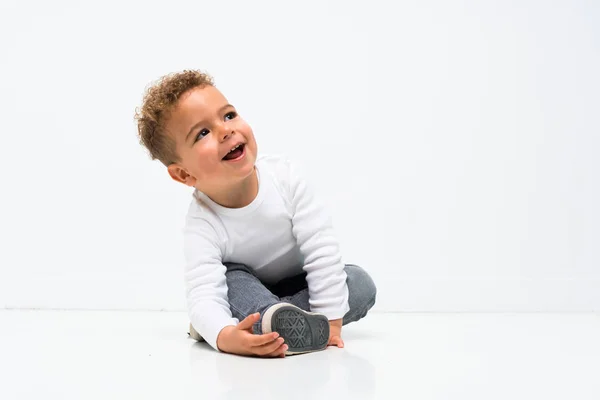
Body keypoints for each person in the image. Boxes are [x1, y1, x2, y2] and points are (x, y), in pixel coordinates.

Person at [134, 70, 376, 357]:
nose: (225, 130)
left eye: (228, 115)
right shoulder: (203, 223)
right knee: (231, 278)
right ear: (184, 174)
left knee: (360, 284)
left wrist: (332, 319)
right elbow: (203, 294)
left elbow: (321, 251)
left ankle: (267, 323)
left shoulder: (286, 178)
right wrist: (225, 337)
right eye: (203, 133)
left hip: (301, 280)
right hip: (248, 293)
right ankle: (251, 322)